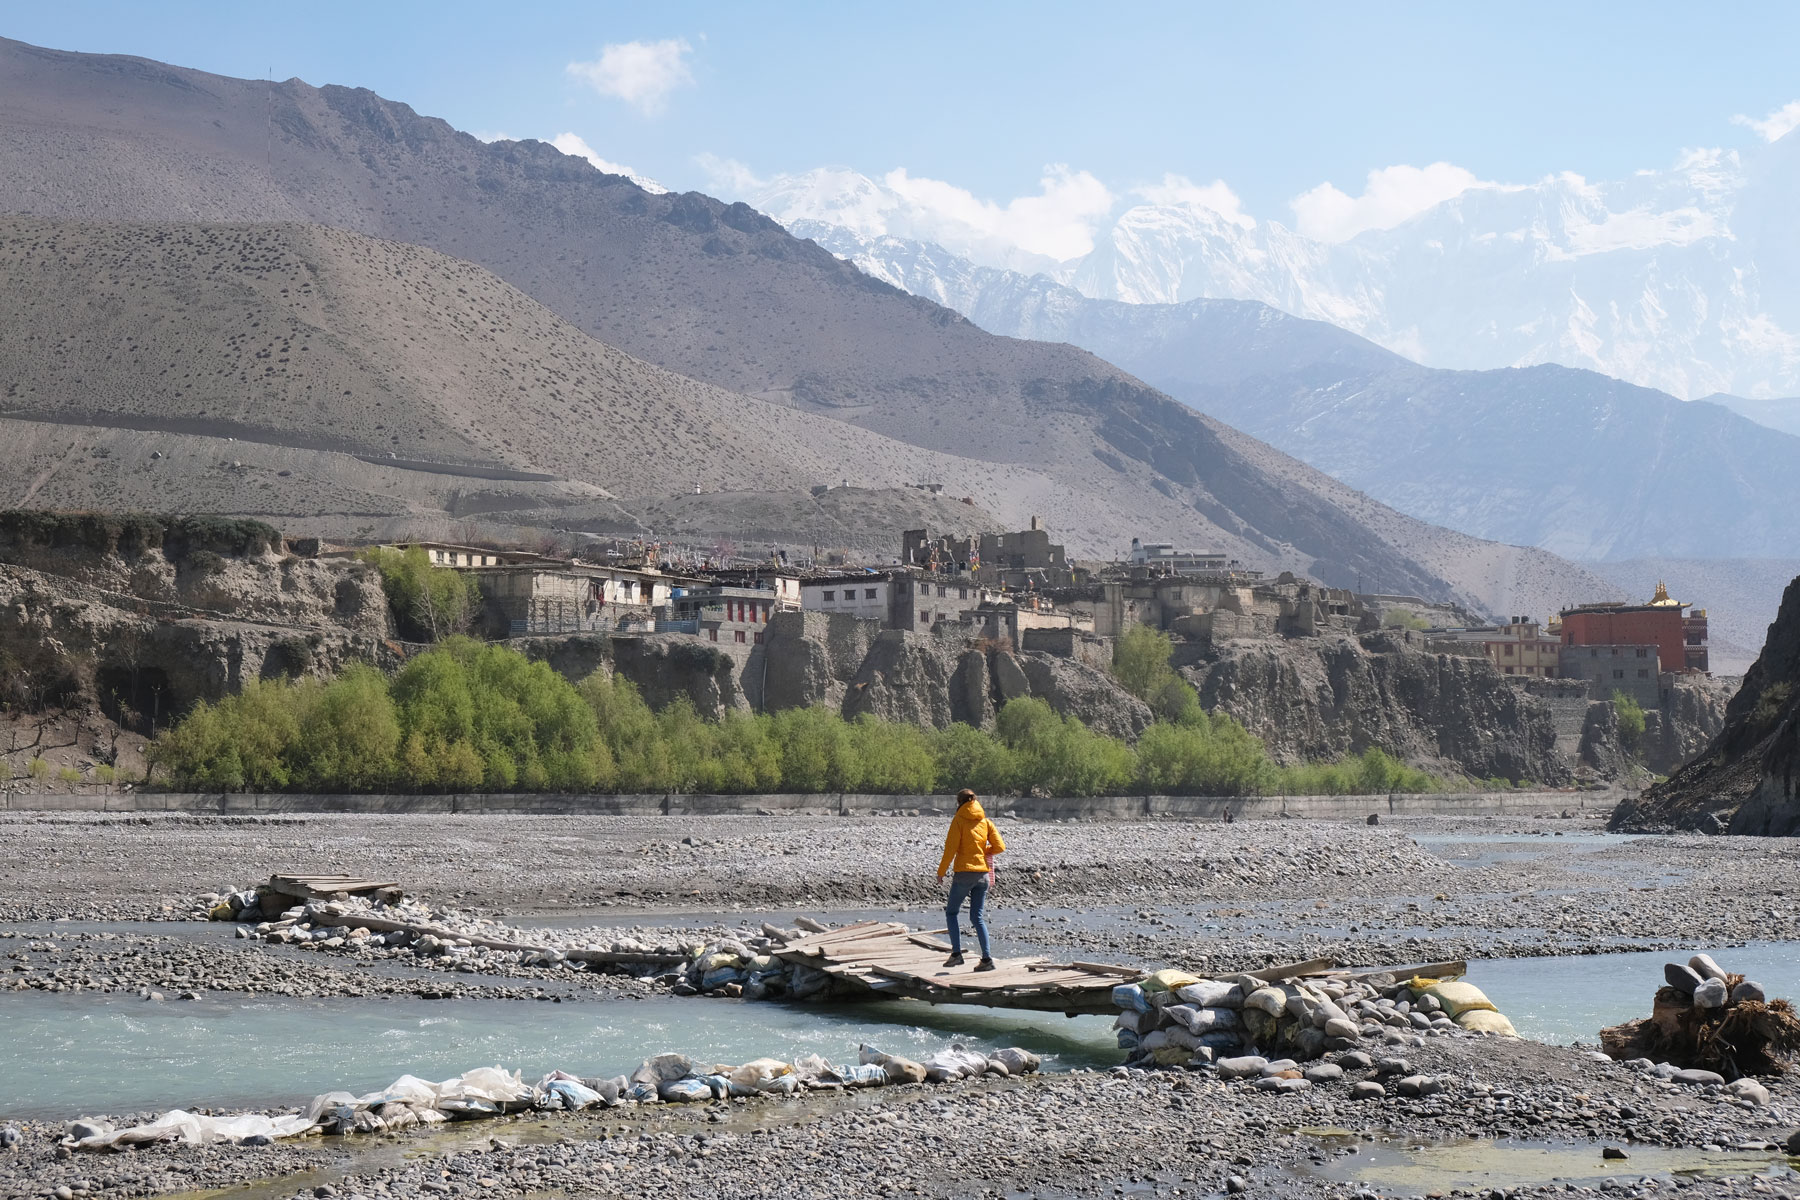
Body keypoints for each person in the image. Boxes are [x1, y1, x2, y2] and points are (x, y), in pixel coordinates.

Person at [936, 787, 1005, 970]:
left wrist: (941, 872)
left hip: (964, 874)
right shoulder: (985, 821)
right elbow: (999, 847)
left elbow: (950, 849)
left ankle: (957, 954)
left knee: (952, 912)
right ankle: (987, 959)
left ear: (959, 803)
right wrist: (984, 851)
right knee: (977, 917)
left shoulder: (958, 820)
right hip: (983, 875)